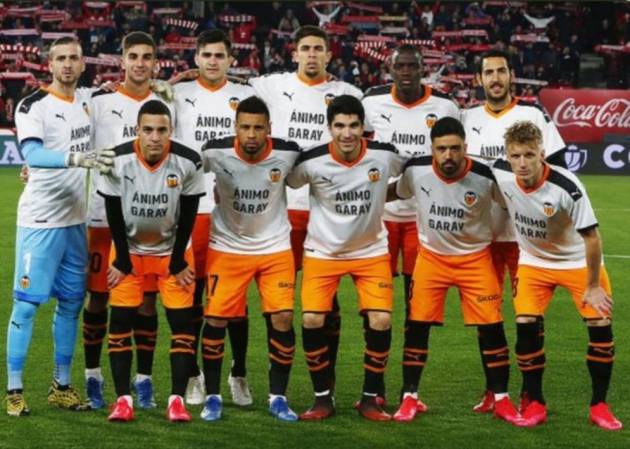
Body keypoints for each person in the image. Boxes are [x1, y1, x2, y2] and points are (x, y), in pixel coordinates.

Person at [250, 25, 363, 388]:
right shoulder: (270, 86)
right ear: (294, 53)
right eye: (305, 48)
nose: (312, 54)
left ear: (329, 55)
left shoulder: (348, 93)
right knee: (277, 299)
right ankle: (276, 377)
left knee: (326, 301)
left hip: (327, 213)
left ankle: (324, 376)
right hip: (281, 208)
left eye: (318, 48)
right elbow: (226, 88)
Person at [392, 117, 523, 426]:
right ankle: (409, 396)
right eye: (441, 149)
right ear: (432, 149)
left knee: (492, 326)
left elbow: (514, 202)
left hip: (475, 259)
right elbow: (394, 193)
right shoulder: (415, 170)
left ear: (466, 147)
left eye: (454, 149)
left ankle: (501, 398)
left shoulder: (484, 175)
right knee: (417, 326)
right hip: (432, 258)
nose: (448, 156)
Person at [492, 121, 622, 431]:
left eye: (529, 155)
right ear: (507, 156)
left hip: (578, 263)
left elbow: (592, 238)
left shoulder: (567, 186)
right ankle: (535, 402)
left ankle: (599, 405)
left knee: (600, 327)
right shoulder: (501, 173)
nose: (522, 163)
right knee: (525, 324)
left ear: (542, 154)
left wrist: (592, 286)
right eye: (515, 156)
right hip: (534, 262)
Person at [7, 37, 113, 416]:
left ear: (83, 63)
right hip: (39, 221)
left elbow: (117, 96)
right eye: (60, 59)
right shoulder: (32, 105)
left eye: (74, 58)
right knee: (26, 306)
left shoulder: (87, 100)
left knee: (71, 304)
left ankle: (61, 385)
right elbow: (33, 153)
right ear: (49, 65)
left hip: (75, 222)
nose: (67, 65)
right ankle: (14, 391)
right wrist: (76, 159)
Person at [287, 95, 405, 422]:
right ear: (329, 129)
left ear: (362, 127)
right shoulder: (311, 161)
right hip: (323, 251)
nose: (347, 133)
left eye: (353, 125)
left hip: (370, 250)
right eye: (339, 126)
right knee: (312, 320)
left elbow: (412, 176)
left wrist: (385, 194)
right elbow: (286, 180)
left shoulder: (384, 156)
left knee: (380, 320)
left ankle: (370, 399)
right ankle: (323, 398)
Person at [461, 49, 566, 413]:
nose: (495, 78)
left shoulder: (532, 115)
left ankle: (531, 393)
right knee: (487, 317)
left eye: (501, 71)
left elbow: (559, 168)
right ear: (478, 79)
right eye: (488, 72)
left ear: (511, 75)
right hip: (482, 237)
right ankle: (495, 390)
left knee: (529, 318)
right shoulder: (467, 117)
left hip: (527, 241)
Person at [98, 100, 205, 422]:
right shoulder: (116, 159)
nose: (155, 137)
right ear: (137, 131)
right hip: (128, 254)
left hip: (173, 255)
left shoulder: (188, 161)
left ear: (171, 131)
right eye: (148, 130)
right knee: (119, 324)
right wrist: (123, 259)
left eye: (161, 130)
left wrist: (176, 261)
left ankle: (176, 400)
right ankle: (123, 400)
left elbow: (189, 213)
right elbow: (113, 211)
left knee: (182, 326)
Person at [84, 31, 174, 410]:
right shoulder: (99, 101)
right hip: (102, 217)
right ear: (122, 60)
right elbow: (75, 142)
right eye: (133, 56)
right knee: (99, 299)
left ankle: (145, 380)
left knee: (145, 303)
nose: (140, 63)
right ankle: (93, 377)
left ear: (156, 62)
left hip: (148, 223)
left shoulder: (167, 102)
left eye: (147, 57)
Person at [198, 96, 300, 422]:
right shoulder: (214, 152)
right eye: (245, 127)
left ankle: (278, 398)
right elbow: (183, 167)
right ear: (235, 128)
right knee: (215, 320)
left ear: (269, 129)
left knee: (283, 317)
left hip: (274, 247)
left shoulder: (288, 152)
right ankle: (212, 396)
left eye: (258, 127)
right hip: (227, 247)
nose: (252, 134)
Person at [173, 29, 255, 407]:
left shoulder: (247, 96)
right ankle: (193, 375)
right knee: (189, 298)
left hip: (231, 213)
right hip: (188, 209)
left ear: (230, 59)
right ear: (196, 58)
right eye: (206, 55)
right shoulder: (176, 95)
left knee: (233, 303)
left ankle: (238, 373)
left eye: (220, 55)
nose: (212, 61)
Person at [363, 43, 460, 324]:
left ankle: (412, 350)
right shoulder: (371, 101)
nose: (406, 71)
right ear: (390, 69)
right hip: (383, 214)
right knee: (376, 293)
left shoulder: (445, 106)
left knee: (417, 295)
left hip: (424, 216)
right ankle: (376, 345)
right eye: (400, 66)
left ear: (423, 69)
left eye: (412, 66)